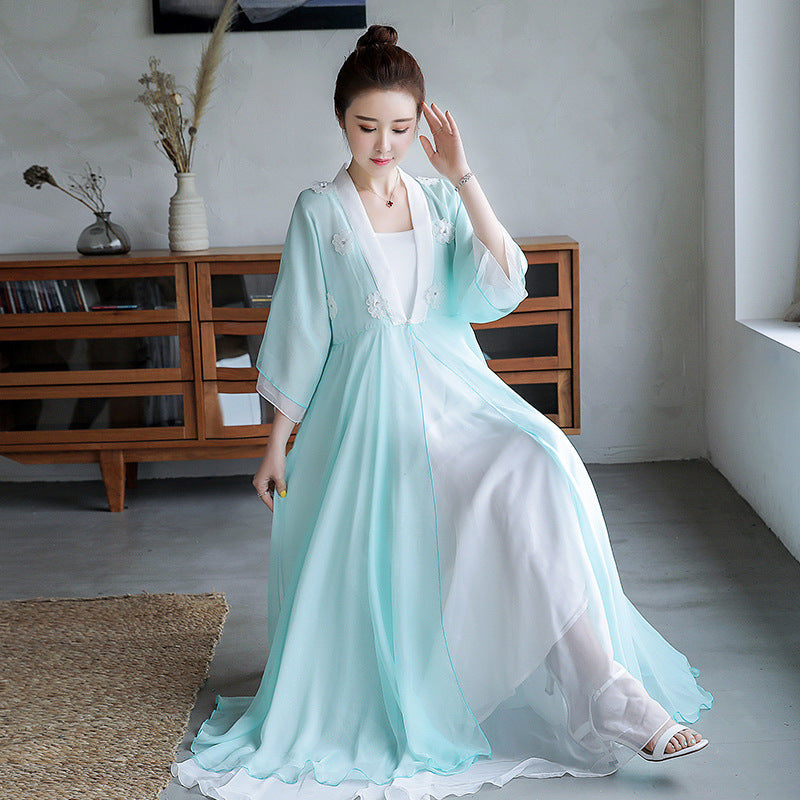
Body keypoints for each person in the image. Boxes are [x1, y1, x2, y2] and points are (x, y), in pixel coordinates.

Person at [173, 24, 712, 800]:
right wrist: (275, 444)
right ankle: (603, 691)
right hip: (366, 417)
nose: (384, 143)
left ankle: (605, 687)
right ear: (341, 122)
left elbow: (499, 284)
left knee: (538, 463)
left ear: (420, 122)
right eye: (367, 127)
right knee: (484, 498)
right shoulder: (319, 210)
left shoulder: (434, 200)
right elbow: (300, 331)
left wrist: (464, 178)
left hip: (452, 392)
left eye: (400, 127)